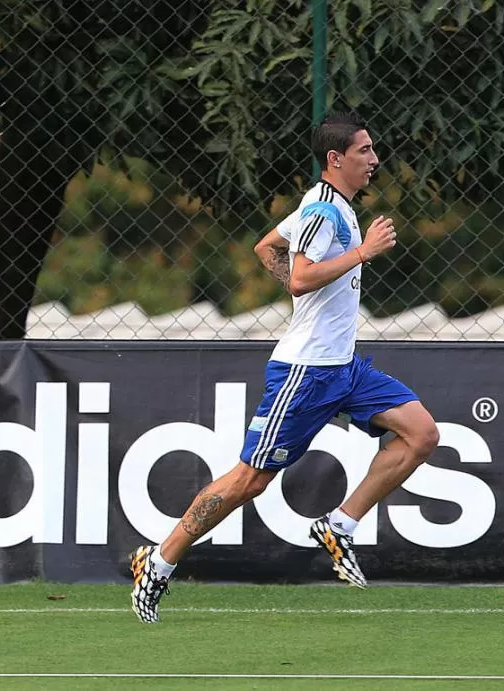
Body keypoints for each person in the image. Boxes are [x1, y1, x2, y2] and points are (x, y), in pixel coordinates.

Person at [130, 111, 440, 624]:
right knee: (250, 480)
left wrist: (318, 296)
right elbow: (298, 279)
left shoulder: (330, 206)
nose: (375, 160)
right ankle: (158, 562)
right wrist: (362, 254)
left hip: (344, 368)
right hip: (306, 372)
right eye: (365, 151)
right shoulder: (323, 211)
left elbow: (267, 248)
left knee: (421, 434)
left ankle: (338, 526)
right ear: (335, 159)